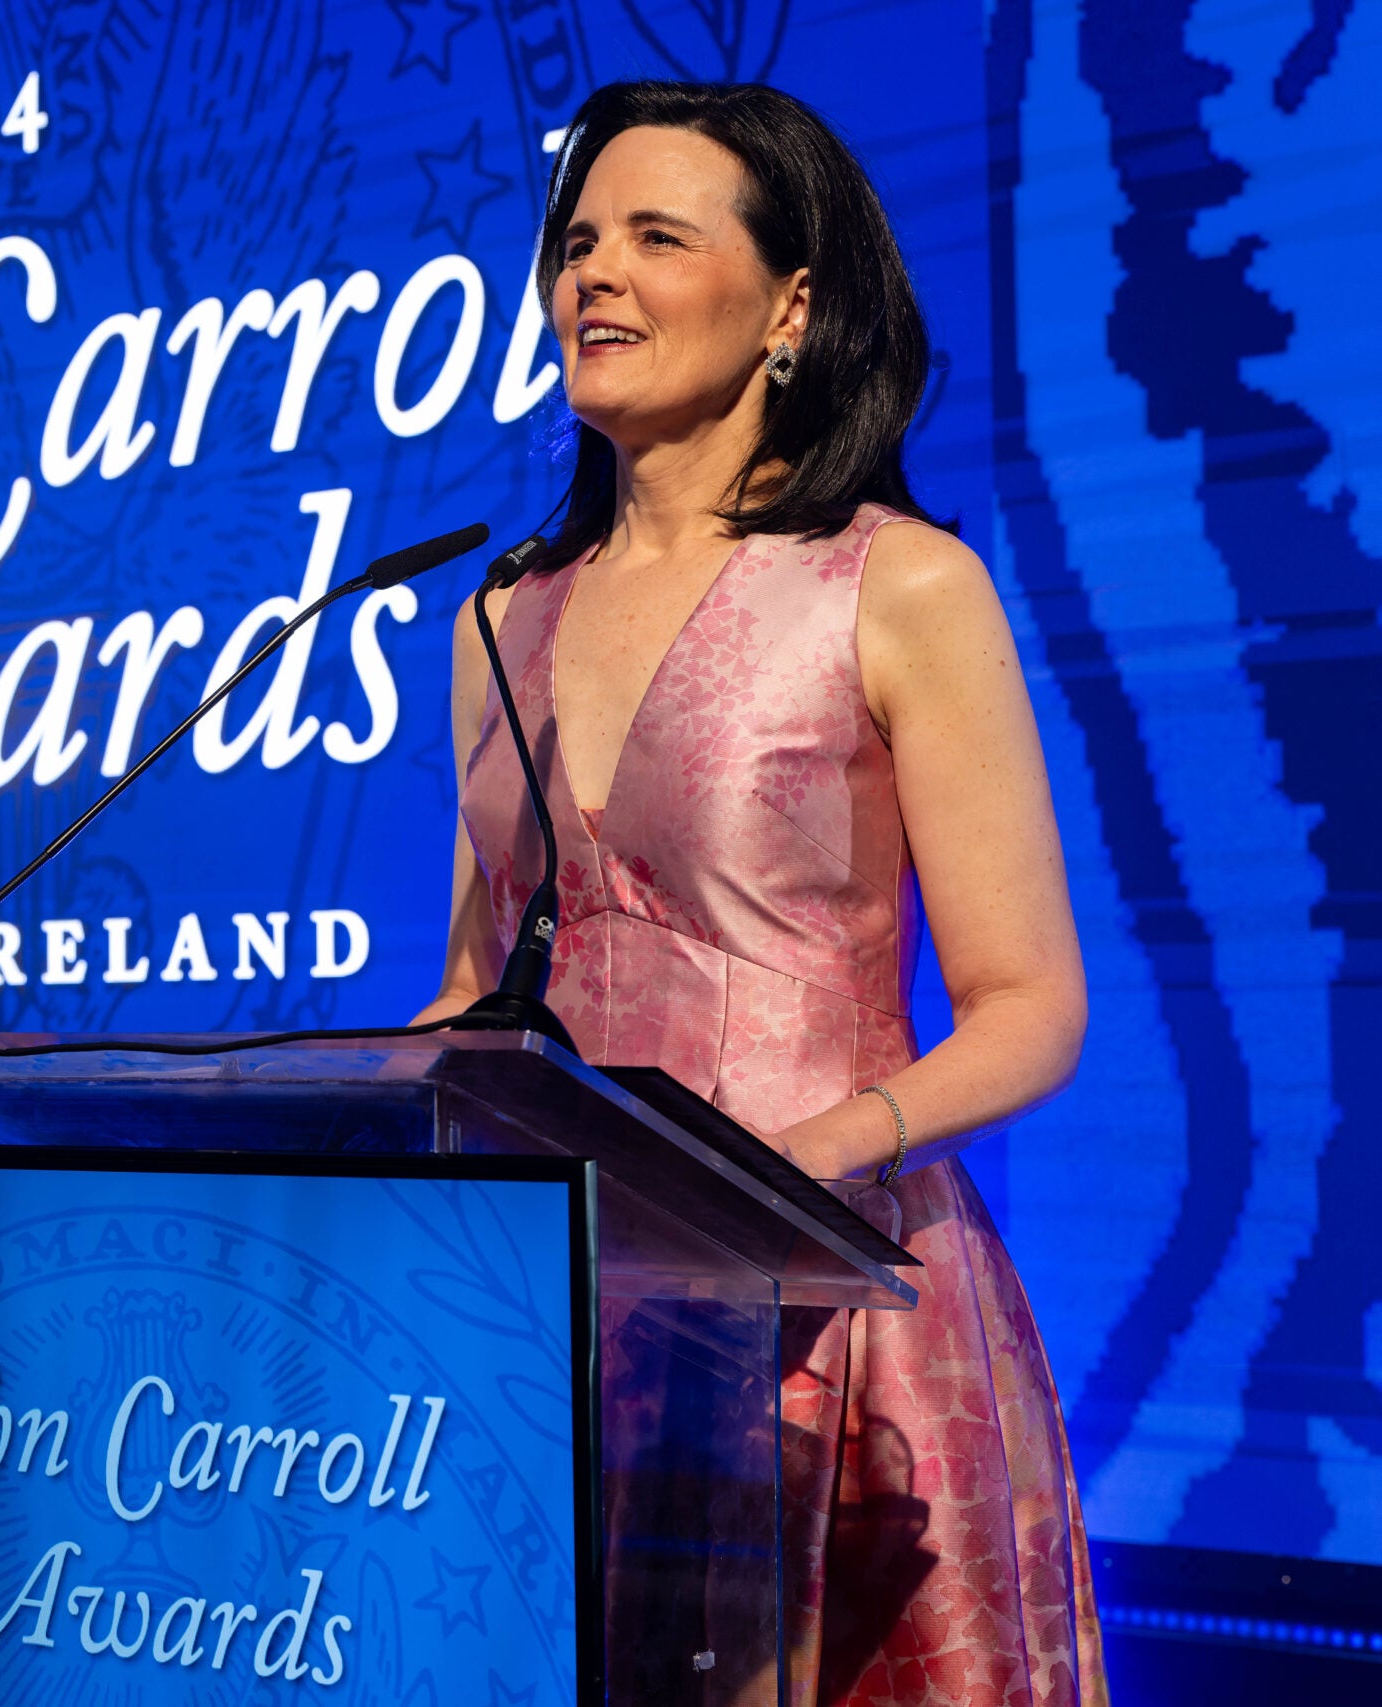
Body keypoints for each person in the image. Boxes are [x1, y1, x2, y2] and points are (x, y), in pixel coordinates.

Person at [418, 82, 1107, 1706]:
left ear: (792, 304)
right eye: (577, 240)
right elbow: (469, 997)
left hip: (833, 1301)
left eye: (658, 236)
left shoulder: (900, 585)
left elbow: (1033, 1013)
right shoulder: (495, 620)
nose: (594, 274)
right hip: (577, 1321)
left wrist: (797, 1163)